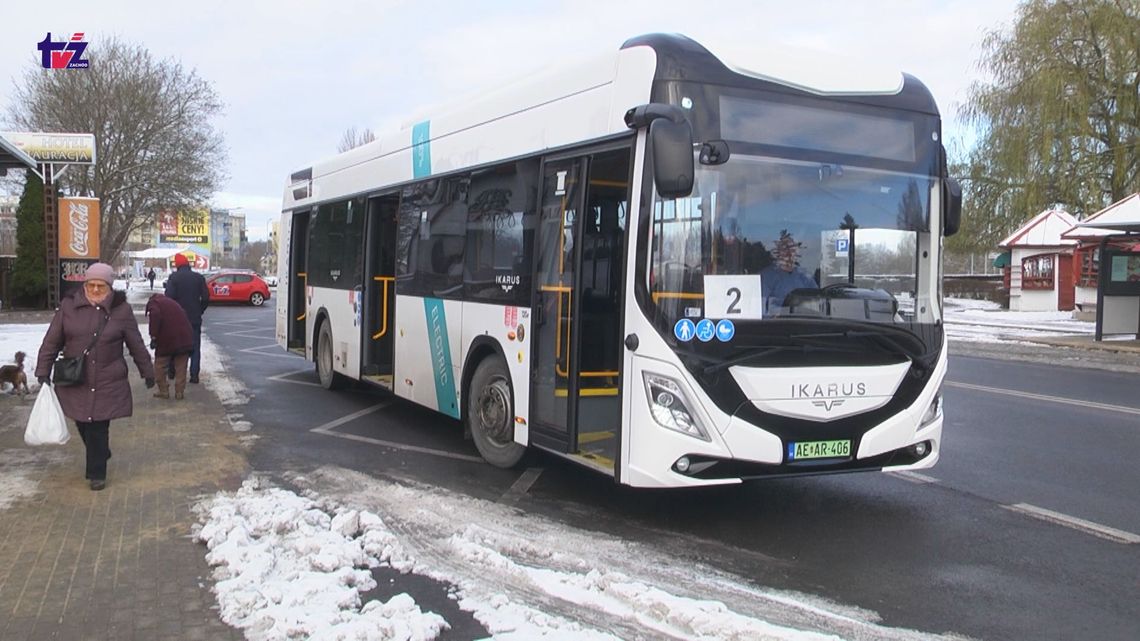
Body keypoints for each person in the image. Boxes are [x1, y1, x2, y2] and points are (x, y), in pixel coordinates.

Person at [34, 262, 155, 491]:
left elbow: (136, 344)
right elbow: (51, 341)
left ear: (110, 286)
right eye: (91, 285)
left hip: (108, 379)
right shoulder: (68, 307)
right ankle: (100, 452)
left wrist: (147, 371)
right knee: (82, 422)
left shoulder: (121, 310)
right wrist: (42, 371)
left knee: (99, 425)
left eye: (101, 285)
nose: (96, 289)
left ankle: (97, 473)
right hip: (75, 378)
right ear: (85, 285)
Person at [164, 253, 209, 384]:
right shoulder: (198, 278)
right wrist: (200, 310)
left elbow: (168, 298)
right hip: (194, 318)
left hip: (177, 319)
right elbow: (206, 298)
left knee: (175, 344)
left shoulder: (174, 278)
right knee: (195, 346)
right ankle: (194, 375)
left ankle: (172, 371)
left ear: (177, 265)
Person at [145, 293, 194, 400]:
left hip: (167, 341)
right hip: (185, 338)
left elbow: (155, 315)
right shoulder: (171, 302)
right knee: (181, 367)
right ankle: (179, 393)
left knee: (160, 366)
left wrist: (153, 336)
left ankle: (163, 391)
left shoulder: (155, 303)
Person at [760, 230, 817, 313]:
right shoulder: (765, 277)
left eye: (792, 248)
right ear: (778, 251)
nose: (789, 252)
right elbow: (762, 309)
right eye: (785, 248)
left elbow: (817, 302)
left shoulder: (806, 276)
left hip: (806, 322)